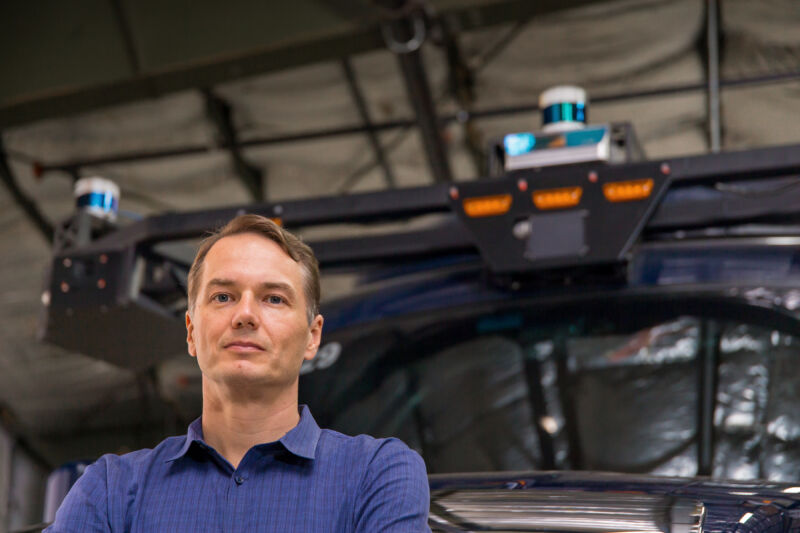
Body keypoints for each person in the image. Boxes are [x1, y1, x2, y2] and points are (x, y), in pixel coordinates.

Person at [46, 214, 431, 532]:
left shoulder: (376, 474)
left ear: (312, 337)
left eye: (274, 298)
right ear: (191, 332)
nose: (245, 314)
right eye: (223, 297)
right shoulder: (110, 490)